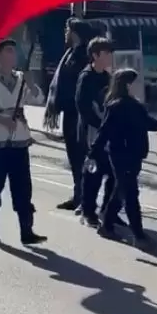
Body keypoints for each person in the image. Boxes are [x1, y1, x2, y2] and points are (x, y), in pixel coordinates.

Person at [0, 39, 46, 246]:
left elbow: (39, 99)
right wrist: (0, 118)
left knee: (23, 187)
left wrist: (32, 85)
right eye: (8, 51)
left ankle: (27, 230)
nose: (12, 55)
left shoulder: (22, 79)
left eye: (14, 52)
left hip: (19, 141)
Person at [90, 68, 157, 246]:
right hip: (125, 155)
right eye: (137, 82)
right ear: (128, 84)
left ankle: (107, 225)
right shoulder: (125, 105)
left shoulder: (122, 104)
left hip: (125, 153)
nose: (140, 86)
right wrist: (92, 153)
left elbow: (105, 131)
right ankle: (138, 235)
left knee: (121, 190)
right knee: (130, 193)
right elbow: (106, 131)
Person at [48, 19, 95, 211]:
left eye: (67, 30)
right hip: (69, 112)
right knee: (74, 158)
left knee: (81, 156)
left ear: (75, 32)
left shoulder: (83, 55)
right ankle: (78, 195)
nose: (65, 33)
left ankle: (85, 198)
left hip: (79, 115)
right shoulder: (71, 53)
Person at [76, 36, 115, 227]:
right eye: (106, 53)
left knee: (113, 173)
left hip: (105, 131)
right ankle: (88, 210)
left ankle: (109, 210)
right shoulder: (86, 77)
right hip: (91, 132)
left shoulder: (107, 77)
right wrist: (98, 125)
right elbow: (82, 106)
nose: (110, 56)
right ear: (95, 55)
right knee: (93, 173)